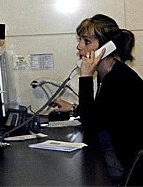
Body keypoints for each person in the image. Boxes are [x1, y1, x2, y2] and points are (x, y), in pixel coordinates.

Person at [53, 14, 143, 185]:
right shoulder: (109, 73)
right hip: (117, 154)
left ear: (106, 48)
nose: (79, 47)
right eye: (80, 40)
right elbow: (101, 114)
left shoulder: (120, 80)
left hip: (124, 163)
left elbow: (91, 123)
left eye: (86, 42)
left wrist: (85, 77)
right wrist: (73, 108)